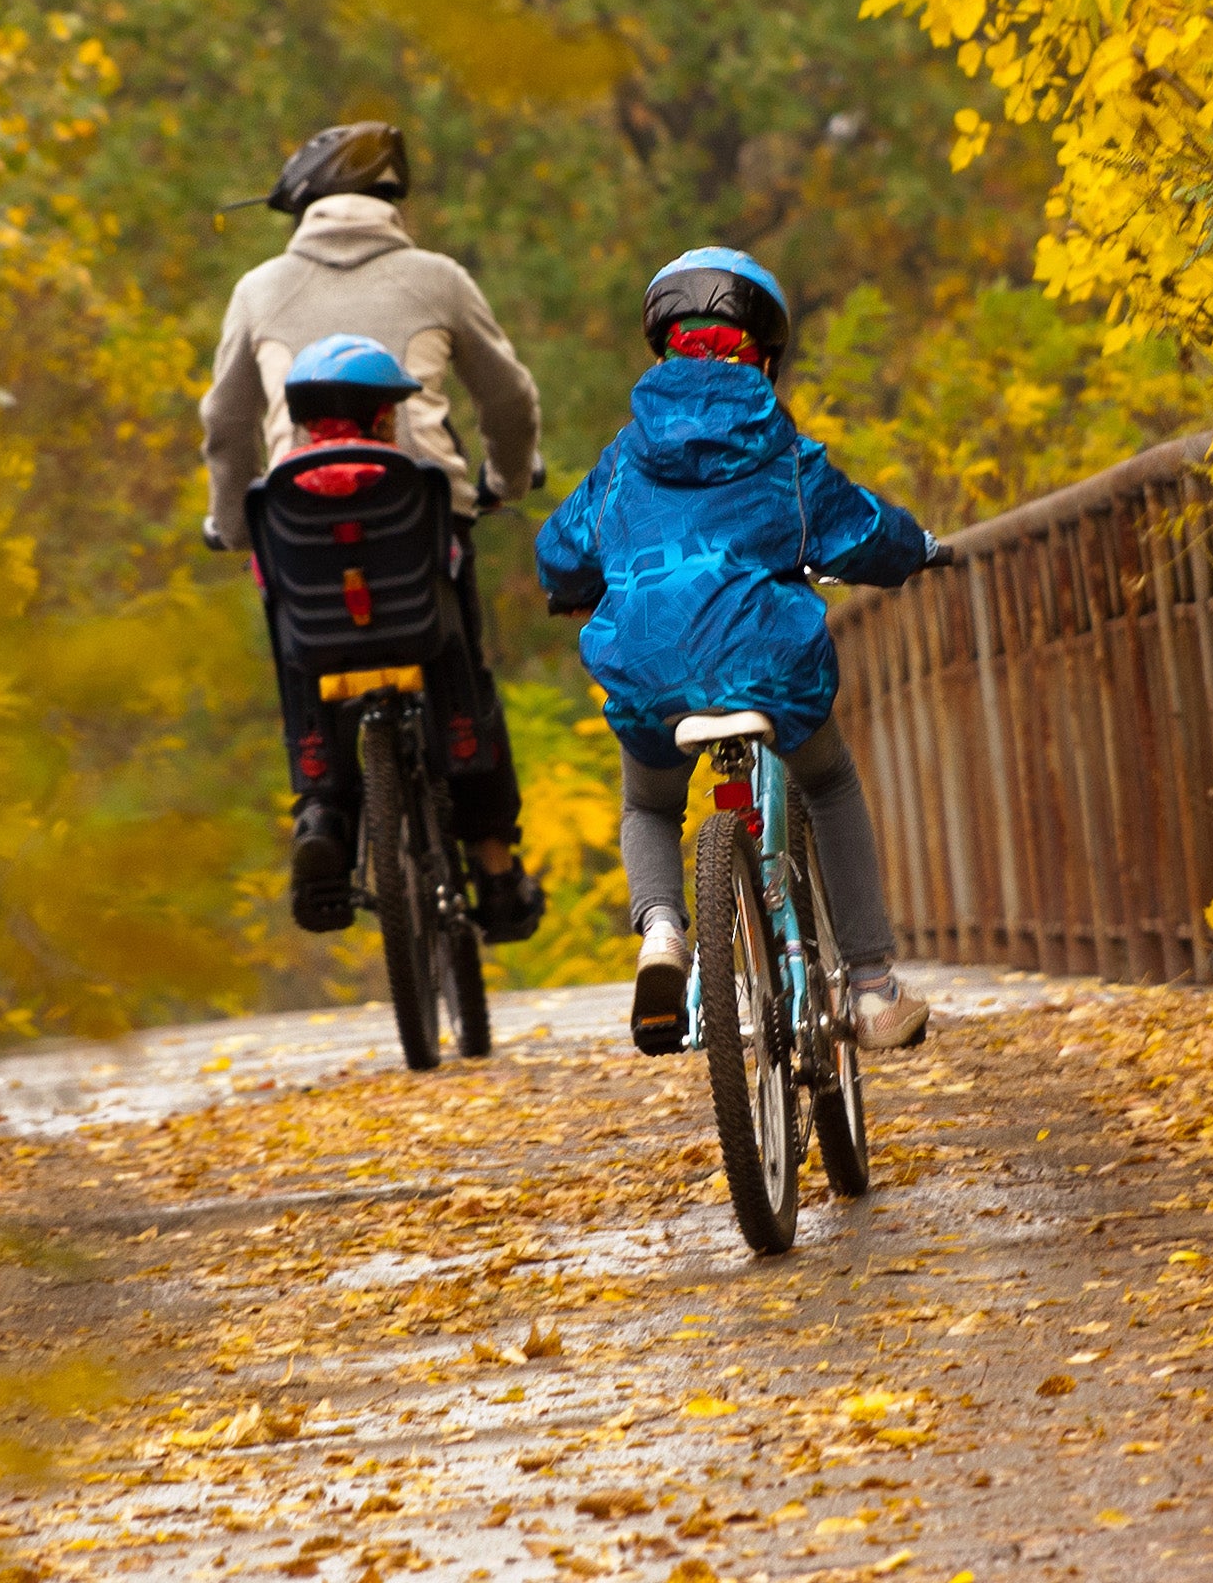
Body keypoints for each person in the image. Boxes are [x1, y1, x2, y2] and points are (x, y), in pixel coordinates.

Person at [534, 246, 941, 1054]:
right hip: (767, 668)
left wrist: (577, 583)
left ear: (664, 346)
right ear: (767, 353)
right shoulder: (783, 454)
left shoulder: (623, 460)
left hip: (650, 675)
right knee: (829, 780)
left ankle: (659, 934)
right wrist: (919, 548)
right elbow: (862, 531)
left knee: (650, 802)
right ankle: (869, 986)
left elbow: (561, 548)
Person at [201, 122, 544, 943]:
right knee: (459, 664)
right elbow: (510, 399)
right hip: (419, 513)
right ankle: (494, 870)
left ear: (303, 205)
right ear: (389, 200)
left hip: (299, 520)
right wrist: (502, 478)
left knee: (301, 650)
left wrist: (231, 523)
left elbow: (226, 421)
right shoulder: (439, 278)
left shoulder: (258, 289)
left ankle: (321, 811)